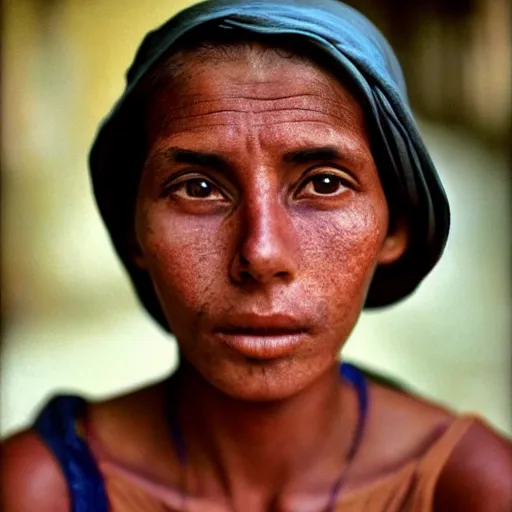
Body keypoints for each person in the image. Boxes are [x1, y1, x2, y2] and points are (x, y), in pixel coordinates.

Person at [2, 0, 511, 510]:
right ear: (134, 231)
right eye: (198, 188)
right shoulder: (38, 491)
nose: (261, 253)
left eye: (325, 183)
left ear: (393, 227)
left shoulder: (472, 490)